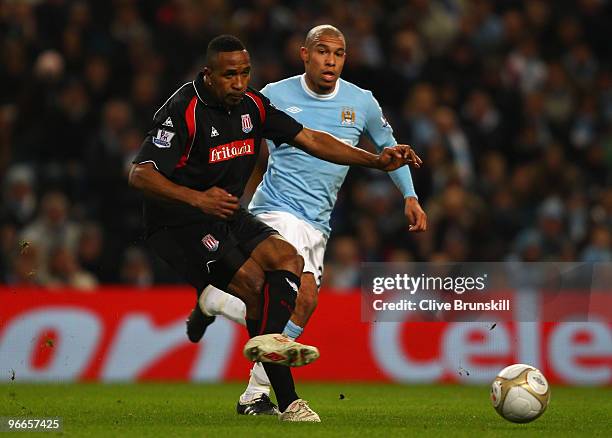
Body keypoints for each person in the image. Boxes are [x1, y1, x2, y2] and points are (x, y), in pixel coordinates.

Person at [128, 34, 419, 422]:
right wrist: (198, 199)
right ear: (209, 75)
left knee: (286, 265)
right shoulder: (185, 108)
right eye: (230, 75)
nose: (238, 82)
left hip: (240, 213)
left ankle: (221, 315)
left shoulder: (254, 105)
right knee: (267, 290)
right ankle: (288, 402)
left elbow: (311, 139)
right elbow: (140, 175)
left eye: (244, 73)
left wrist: (376, 164)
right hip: (182, 220)